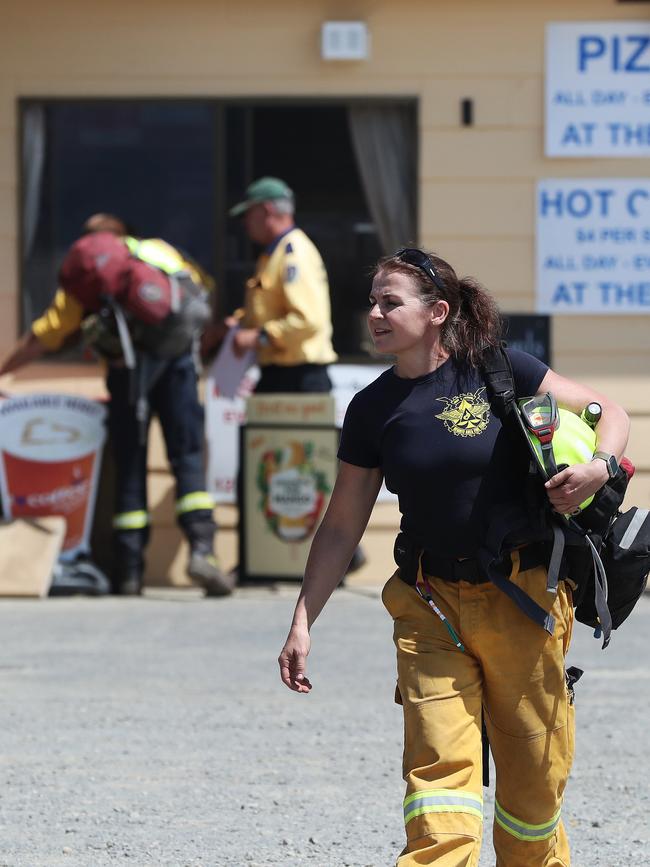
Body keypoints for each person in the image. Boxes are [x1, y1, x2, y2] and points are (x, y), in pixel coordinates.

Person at [278, 248, 630, 866]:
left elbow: (612, 414)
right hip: (429, 606)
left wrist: (599, 469)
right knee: (438, 787)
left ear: (438, 312)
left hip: (525, 601)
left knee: (533, 786)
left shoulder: (500, 370)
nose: (376, 314)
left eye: (392, 302)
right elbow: (341, 525)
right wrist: (303, 621)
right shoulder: (371, 409)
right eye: (373, 303)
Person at [0, 215, 233, 598]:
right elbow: (201, 294)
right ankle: (203, 550)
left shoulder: (88, 277)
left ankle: (129, 571)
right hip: (178, 365)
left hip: (128, 372)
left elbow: (48, 334)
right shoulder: (158, 251)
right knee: (187, 457)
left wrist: (6, 369)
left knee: (130, 464)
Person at [227, 176, 337, 393]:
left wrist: (257, 337)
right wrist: (238, 322)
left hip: (300, 377)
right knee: (254, 427)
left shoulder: (294, 253)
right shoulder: (274, 253)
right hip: (280, 373)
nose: (245, 222)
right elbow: (267, 307)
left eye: (249, 214)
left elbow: (307, 320)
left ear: (267, 210)